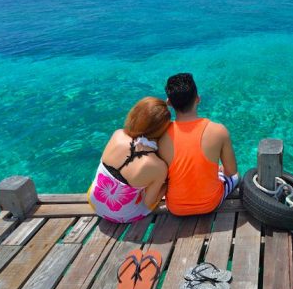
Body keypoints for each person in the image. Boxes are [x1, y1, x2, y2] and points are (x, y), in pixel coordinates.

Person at [158, 73, 240, 216]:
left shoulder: (160, 134)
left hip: (176, 207)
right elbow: (231, 171)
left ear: (169, 102)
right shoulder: (218, 130)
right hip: (210, 203)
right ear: (198, 99)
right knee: (236, 176)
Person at [87, 97, 170, 223]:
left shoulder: (118, 135)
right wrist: (167, 184)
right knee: (161, 185)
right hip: (122, 216)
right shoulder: (157, 166)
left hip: (94, 201)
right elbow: (149, 204)